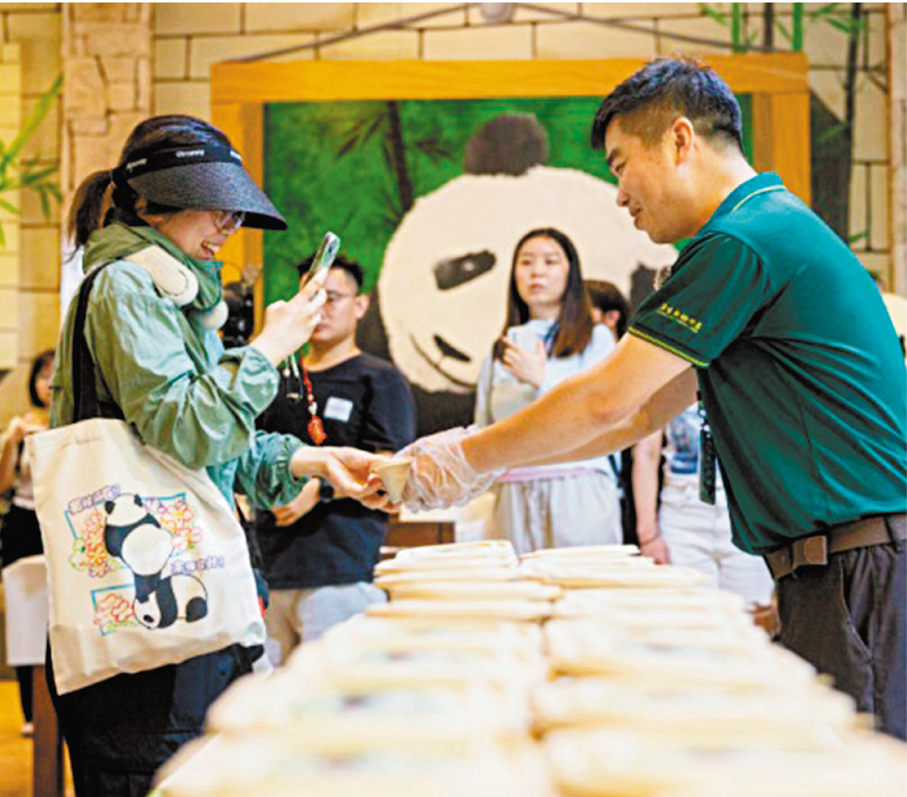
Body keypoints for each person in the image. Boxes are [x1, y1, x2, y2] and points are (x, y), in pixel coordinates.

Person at [399, 58, 907, 739]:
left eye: (619, 166)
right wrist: (478, 464)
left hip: (858, 564)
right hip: (836, 566)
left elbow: (606, 399)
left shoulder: (742, 239)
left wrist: (462, 457)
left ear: (678, 140)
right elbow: (638, 414)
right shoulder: (765, 224)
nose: (618, 196)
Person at [49, 114, 391, 795]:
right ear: (152, 202)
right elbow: (187, 428)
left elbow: (215, 446)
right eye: (213, 203)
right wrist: (269, 348)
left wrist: (314, 462)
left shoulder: (175, 297)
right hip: (146, 615)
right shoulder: (125, 286)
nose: (229, 224)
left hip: (185, 605)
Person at [255, 253, 416, 662]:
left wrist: (319, 490)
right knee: (268, 693)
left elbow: (390, 468)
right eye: (311, 298)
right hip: (268, 570)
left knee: (336, 688)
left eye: (332, 298)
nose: (320, 309)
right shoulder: (272, 378)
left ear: (360, 305)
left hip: (341, 570)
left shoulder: (379, 379)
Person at [474, 228, 621, 554]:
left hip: (578, 484)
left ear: (571, 274)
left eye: (550, 262)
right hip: (513, 491)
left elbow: (604, 409)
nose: (536, 272)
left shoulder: (596, 339)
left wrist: (542, 379)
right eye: (526, 262)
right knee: (515, 584)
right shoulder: (502, 348)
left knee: (582, 581)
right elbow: (484, 426)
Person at [632, 404, 774, 608]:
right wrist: (648, 535)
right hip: (682, 513)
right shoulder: (663, 384)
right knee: (687, 615)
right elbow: (646, 452)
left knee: (748, 614)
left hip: (746, 511)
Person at [0, 349, 54, 735]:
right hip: (22, 522)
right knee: (23, 615)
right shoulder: (21, 425)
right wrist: (12, 441)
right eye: (42, 375)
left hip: (55, 523)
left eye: (54, 375)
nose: (48, 383)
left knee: (57, 617)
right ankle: (31, 712)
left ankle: (60, 710)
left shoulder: (72, 424)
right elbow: (3, 483)